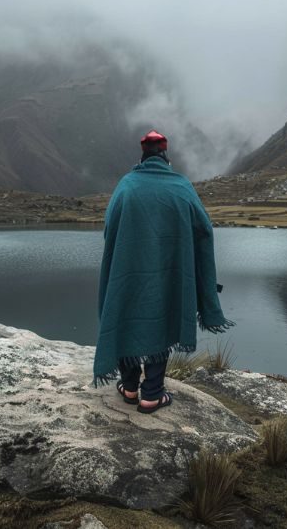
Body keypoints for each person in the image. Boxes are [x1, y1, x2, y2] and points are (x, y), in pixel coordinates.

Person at [93, 130, 233, 413]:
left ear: (142, 156)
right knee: (164, 317)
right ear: (166, 156)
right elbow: (204, 229)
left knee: (126, 313)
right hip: (171, 270)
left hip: (128, 271)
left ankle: (130, 387)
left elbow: (109, 228)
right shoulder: (181, 186)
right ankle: (152, 394)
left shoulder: (127, 185)